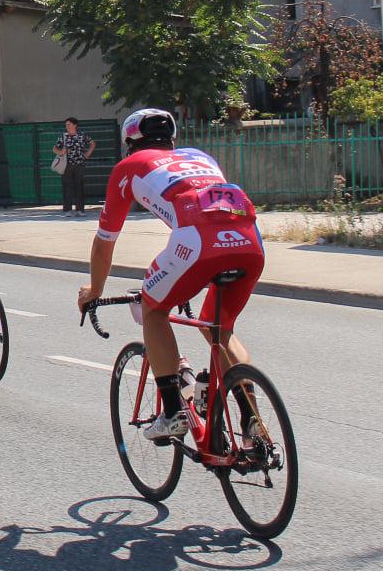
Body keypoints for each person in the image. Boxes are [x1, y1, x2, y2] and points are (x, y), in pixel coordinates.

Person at [77, 109, 264, 442]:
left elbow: (104, 244)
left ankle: (173, 411)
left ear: (129, 144)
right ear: (173, 140)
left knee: (153, 309)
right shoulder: (199, 156)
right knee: (219, 328)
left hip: (199, 241)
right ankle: (252, 423)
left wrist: (95, 289)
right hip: (250, 240)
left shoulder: (128, 168)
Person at [54, 117, 96, 215]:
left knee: (79, 186)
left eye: (69, 124)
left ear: (74, 125)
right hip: (67, 164)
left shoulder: (82, 135)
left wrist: (87, 154)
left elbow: (93, 143)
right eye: (66, 125)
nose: (67, 127)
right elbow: (55, 149)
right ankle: (67, 210)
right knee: (67, 187)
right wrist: (61, 152)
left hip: (79, 163)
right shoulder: (63, 137)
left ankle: (79, 210)